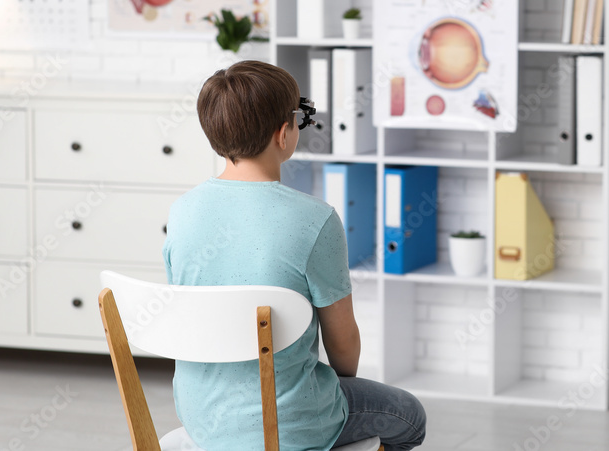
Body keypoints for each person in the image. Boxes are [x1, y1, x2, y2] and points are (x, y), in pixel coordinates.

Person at [163, 60, 426, 451]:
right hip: (291, 424)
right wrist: (341, 383)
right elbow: (343, 343)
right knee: (409, 416)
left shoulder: (182, 211)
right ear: (284, 133)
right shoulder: (315, 220)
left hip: (202, 416)